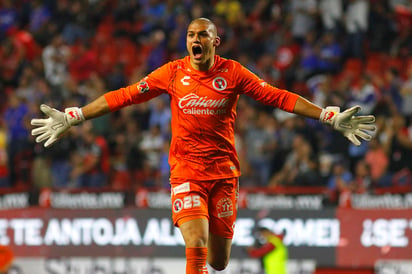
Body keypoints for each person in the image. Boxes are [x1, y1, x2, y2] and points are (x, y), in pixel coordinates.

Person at [31, 18, 376, 273]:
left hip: (224, 174)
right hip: (186, 171)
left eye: (202, 35)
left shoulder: (234, 73)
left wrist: (326, 116)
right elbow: (124, 96)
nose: (195, 39)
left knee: (219, 261)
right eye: (191, 35)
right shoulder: (172, 72)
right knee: (195, 242)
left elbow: (279, 97)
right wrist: (76, 115)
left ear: (216, 42)